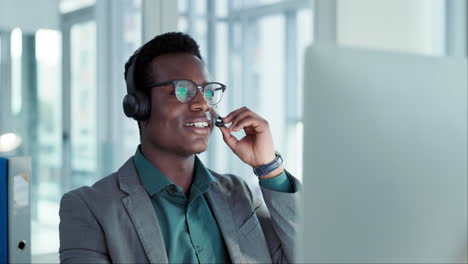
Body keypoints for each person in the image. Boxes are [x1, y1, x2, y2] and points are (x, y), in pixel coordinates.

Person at [59, 32, 301, 263]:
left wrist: (270, 169)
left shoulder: (239, 195)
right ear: (139, 106)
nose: (202, 104)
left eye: (207, 92)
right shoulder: (89, 208)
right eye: (182, 90)